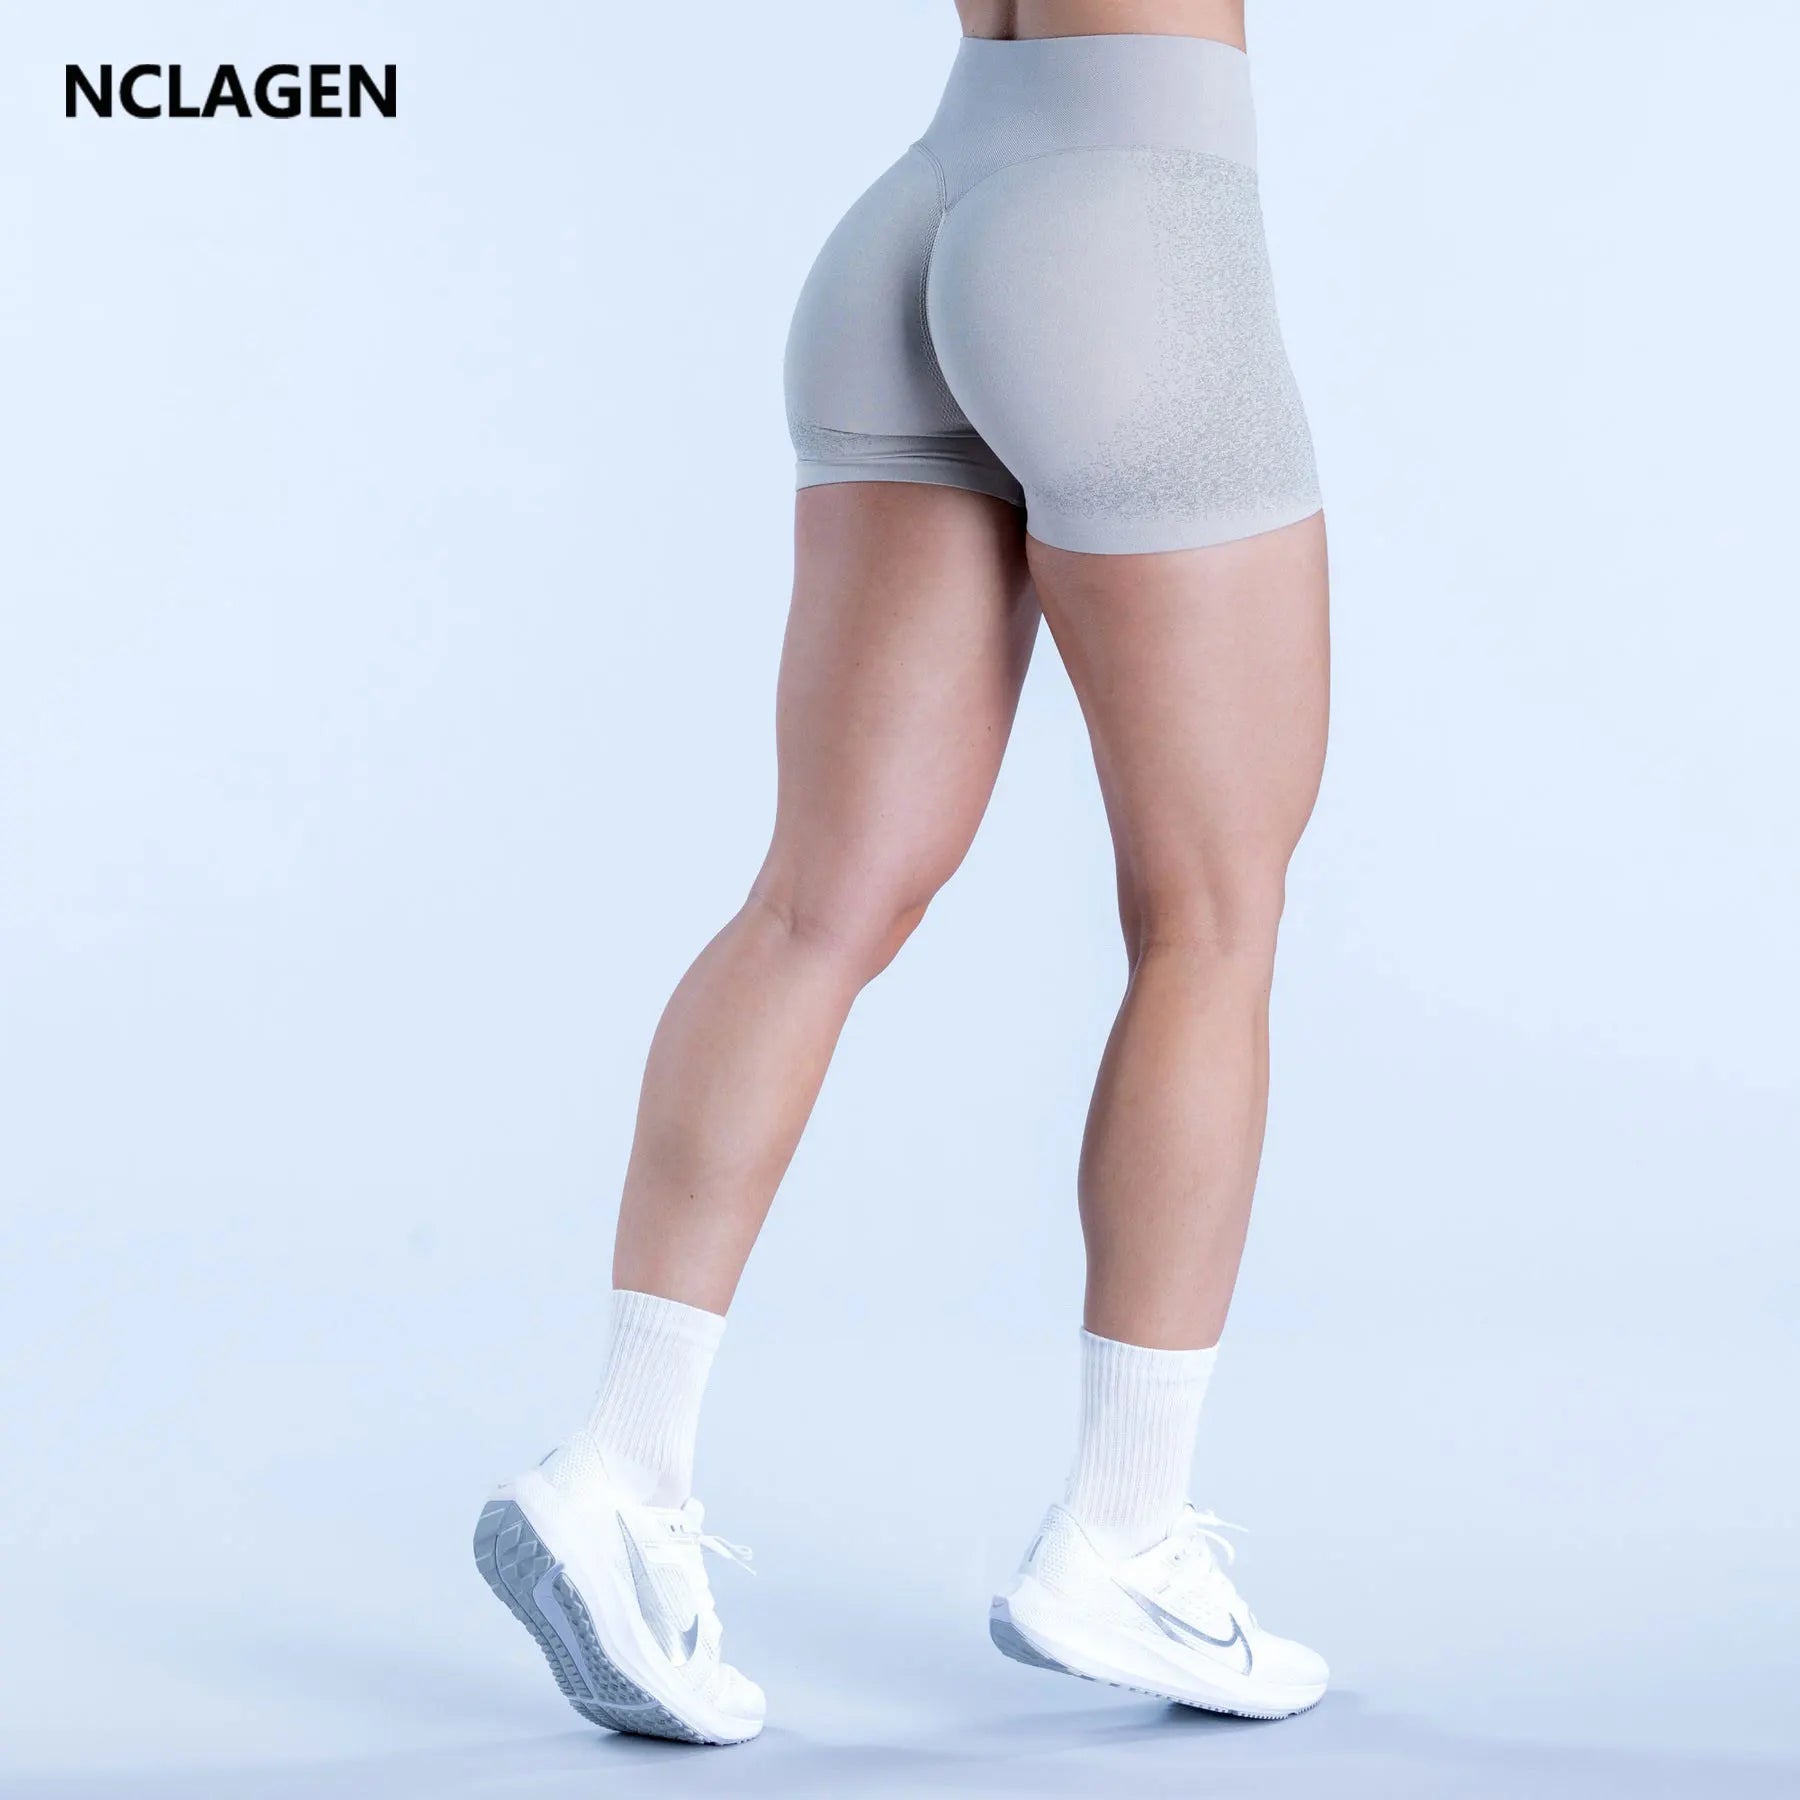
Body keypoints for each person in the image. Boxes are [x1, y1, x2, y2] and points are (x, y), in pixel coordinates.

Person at [474, 0, 1330, 1745]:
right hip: (1133, 225)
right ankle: (1127, 1535)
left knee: (814, 903)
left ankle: (619, 1467)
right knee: (1212, 917)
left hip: (923, 215)